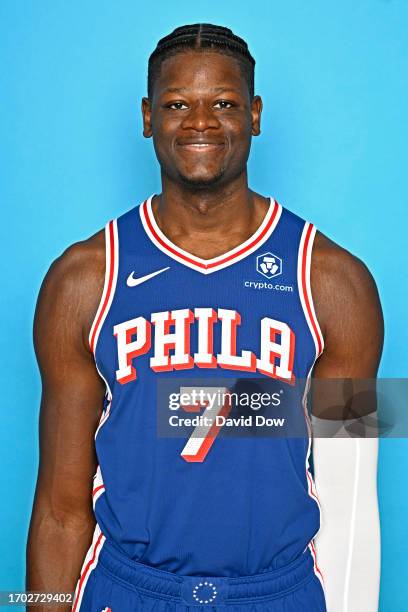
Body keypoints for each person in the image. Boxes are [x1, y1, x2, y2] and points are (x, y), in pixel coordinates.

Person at [26, 23, 384, 612]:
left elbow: (351, 505)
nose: (200, 123)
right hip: (129, 588)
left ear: (256, 114)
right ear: (147, 117)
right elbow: (60, 510)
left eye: (223, 103)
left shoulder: (335, 283)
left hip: (276, 592)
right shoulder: (85, 278)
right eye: (176, 104)